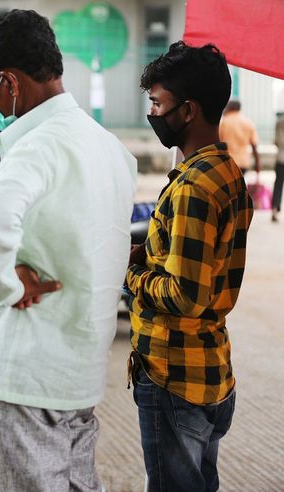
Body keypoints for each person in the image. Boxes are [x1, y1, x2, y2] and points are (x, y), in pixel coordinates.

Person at [0, 10, 137, 491]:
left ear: (10, 84)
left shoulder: (38, 146)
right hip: (78, 378)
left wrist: (5, 285)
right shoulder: (109, 147)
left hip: (19, 377)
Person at [126, 41, 253, 491]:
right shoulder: (226, 171)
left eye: (158, 104)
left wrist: (134, 273)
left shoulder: (195, 188)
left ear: (188, 110)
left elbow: (185, 294)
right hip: (209, 368)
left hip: (173, 376)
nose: (153, 113)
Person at [219, 99, 260, 175]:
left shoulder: (223, 123)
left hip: (227, 162)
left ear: (230, 108)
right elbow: (254, 146)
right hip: (243, 162)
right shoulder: (248, 123)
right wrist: (257, 163)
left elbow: (217, 143)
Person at [272, 111, 284, 222]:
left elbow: (276, 141)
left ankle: (275, 209)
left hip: (281, 158)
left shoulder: (279, 122)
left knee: (278, 184)